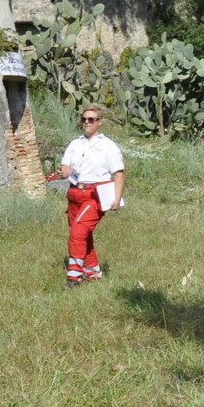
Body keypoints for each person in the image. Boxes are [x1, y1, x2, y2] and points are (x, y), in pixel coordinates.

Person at [60, 104, 125, 286]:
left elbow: (119, 173)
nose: (87, 122)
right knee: (83, 235)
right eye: (84, 119)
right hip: (74, 193)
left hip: (95, 194)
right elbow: (66, 167)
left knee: (78, 232)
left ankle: (74, 276)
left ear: (99, 122)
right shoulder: (75, 144)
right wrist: (63, 172)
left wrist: (117, 199)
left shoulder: (107, 146)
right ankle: (93, 272)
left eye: (91, 119)